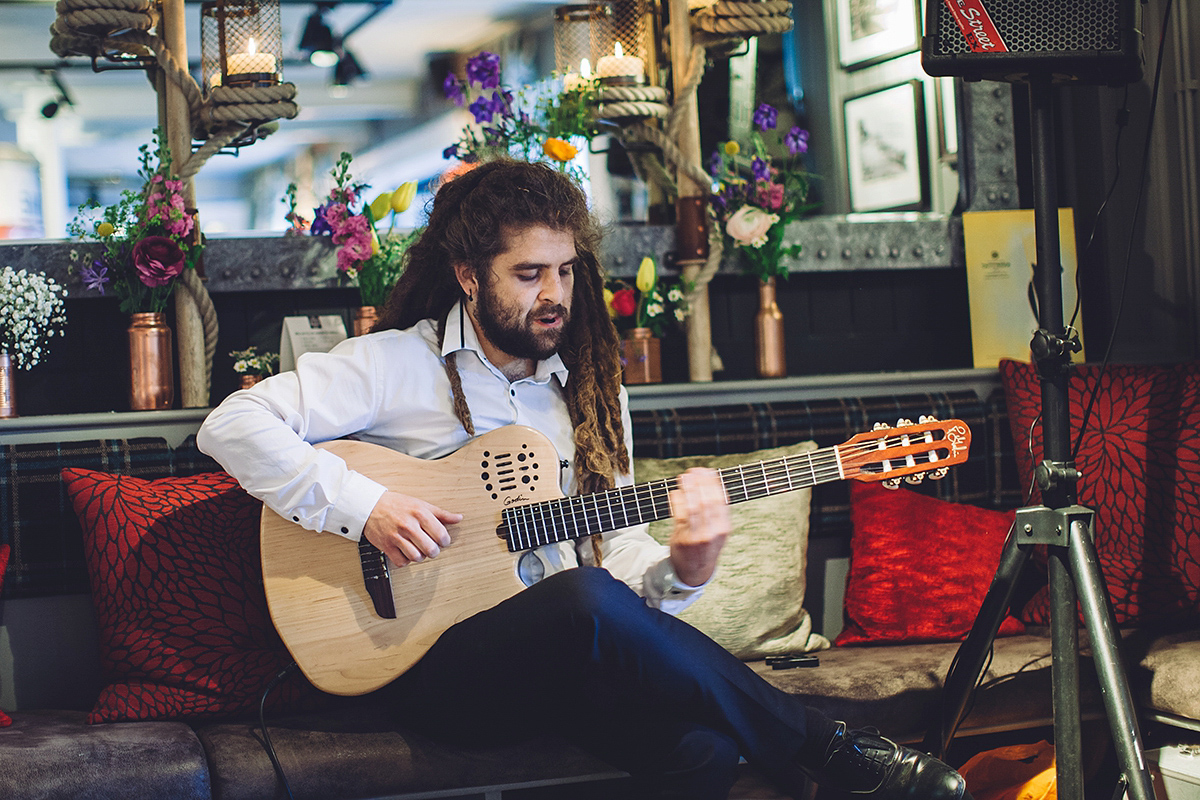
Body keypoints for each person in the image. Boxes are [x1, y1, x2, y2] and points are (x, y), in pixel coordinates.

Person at [198, 159, 972, 800]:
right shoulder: (396, 364)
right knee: (580, 599)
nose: (555, 295)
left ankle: (805, 752)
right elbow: (231, 425)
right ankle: (825, 744)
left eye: (566, 271)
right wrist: (367, 507)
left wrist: (685, 570)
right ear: (468, 276)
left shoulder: (593, 391)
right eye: (529, 273)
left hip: (558, 662)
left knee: (698, 749)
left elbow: (616, 555)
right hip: (423, 667)